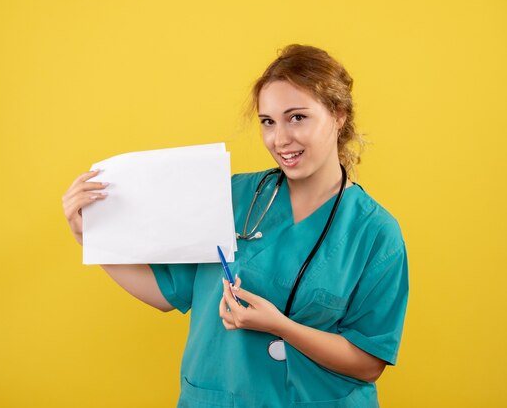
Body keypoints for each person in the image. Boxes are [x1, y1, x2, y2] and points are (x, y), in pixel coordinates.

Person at [62, 44, 409, 407]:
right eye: (268, 122)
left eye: (297, 118)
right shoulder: (230, 197)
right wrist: (91, 238)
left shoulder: (376, 233)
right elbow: (165, 293)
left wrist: (280, 326)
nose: (280, 139)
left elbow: (369, 362)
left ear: (338, 115)